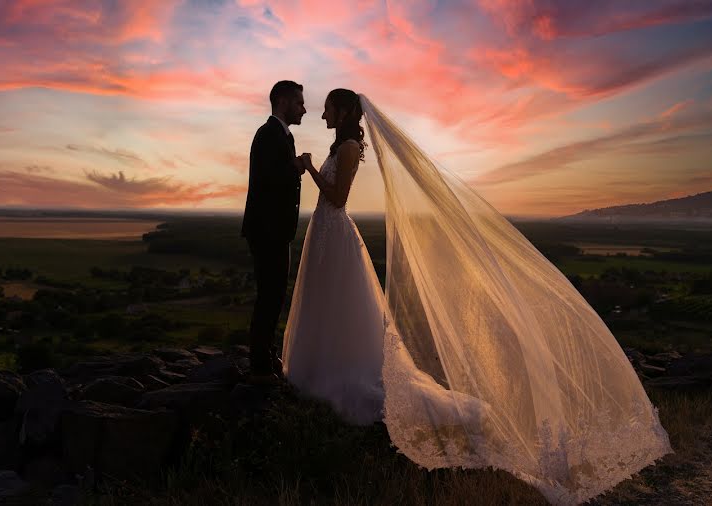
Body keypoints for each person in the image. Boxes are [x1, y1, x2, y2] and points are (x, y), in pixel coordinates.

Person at [282, 88, 672, 504]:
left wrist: (308, 169)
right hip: (325, 237)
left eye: (326, 105)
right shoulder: (341, 144)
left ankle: (342, 376)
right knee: (329, 309)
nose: (320, 111)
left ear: (341, 111)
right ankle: (321, 366)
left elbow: (337, 198)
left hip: (335, 232)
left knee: (341, 309)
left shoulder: (348, 146)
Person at [241, 80, 305, 381]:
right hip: (267, 231)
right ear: (282, 102)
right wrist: (296, 167)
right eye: (299, 103)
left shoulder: (282, 135)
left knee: (275, 294)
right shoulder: (268, 134)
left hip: (277, 230)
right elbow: (270, 179)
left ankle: (264, 354)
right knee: (270, 295)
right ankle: (260, 362)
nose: (303, 109)